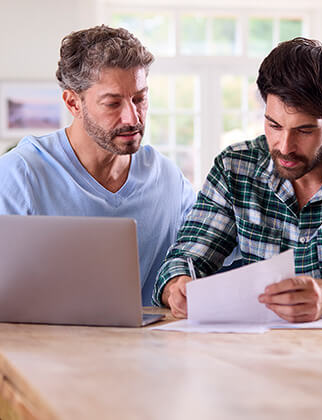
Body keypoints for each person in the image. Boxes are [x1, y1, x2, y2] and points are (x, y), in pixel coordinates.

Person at [153, 37, 322, 322]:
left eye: (304, 130)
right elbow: (186, 258)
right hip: (263, 353)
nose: (284, 146)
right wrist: (176, 286)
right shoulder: (235, 167)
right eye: (273, 125)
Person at [0, 25, 196, 306]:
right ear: (73, 103)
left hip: (152, 346)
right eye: (112, 103)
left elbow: (204, 253)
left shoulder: (166, 177)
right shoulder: (19, 176)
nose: (132, 117)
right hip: (44, 347)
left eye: (139, 98)